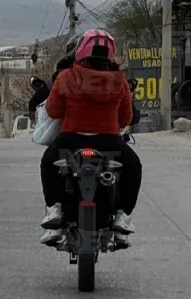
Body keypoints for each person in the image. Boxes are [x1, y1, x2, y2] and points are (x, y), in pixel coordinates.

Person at [37, 29, 142, 248]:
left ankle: (54, 208)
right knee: (133, 166)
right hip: (109, 141)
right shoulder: (120, 80)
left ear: (81, 50)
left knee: (48, 163)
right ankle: (122, 215)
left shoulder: (66, 76)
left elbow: (53, 111)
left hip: (71, 139)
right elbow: (126, 118)